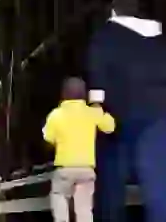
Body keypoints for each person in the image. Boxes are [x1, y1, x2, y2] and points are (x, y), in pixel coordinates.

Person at [87, 0, 166, 222]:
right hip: (157, 118)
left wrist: (96, 113)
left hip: (118, 120)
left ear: (114, 13)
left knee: (111, 191)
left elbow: (97, 80)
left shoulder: (104, 39)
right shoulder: (162, 41)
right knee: (165, 193)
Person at [42, 77, 116, 222]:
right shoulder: (92, 112)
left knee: (59, 195)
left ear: (63, 94)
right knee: (84, 209)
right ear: (84, 95)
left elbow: (47, 138)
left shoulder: (56, 114)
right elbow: (110, 127)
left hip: (64, 169)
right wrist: (98, 107)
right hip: (86, 170)